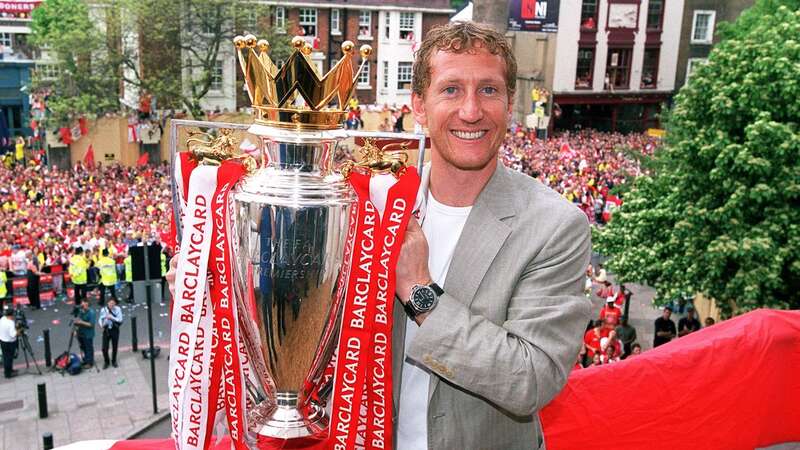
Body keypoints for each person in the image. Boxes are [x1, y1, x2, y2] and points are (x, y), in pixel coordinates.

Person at [393, 22, 591, 449]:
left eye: (488, 90)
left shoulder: (555, 226)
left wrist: (420, 292)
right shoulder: (378, 207)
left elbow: (531, 379)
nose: (470, 111)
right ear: (419, 107)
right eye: (450, 90)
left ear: (509, 103)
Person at [98, 298, 123, 369]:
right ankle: (106, 361)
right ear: (107, 303)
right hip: (106, 329)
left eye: (113, 303)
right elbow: (100, 319)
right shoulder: (103, 310)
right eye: (110, 303)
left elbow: (120, 320)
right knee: (104, 348)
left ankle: (114, 361)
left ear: (115, 304)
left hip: (114, 329)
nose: (112, 305)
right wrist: (101, 325)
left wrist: (111, 317)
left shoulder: (118, 309)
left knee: (115, 346)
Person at [73, 298, 96, 367]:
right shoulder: (81, 311)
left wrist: (81, 322)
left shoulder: (91, 313)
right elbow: (78, 320)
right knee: (83, 347)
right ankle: (86, 360)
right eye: (82, 303)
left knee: (88, 347)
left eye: (84, 303)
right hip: (81, 332)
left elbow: (91, 325)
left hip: (88, 333)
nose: (83, 305)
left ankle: (90, 362)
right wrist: (75, 330)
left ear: (87, 304)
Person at [0, 308, 18, 378]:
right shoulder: (10, 323)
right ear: (10, 315)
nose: (14, 317)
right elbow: (13, 334)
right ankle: (8, 373)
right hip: (9, 342)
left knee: (5, 357)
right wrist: (18, 331)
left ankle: (9, 370)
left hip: (2, 340)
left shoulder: (2, 319)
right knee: (9, 358)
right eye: (13, 315)